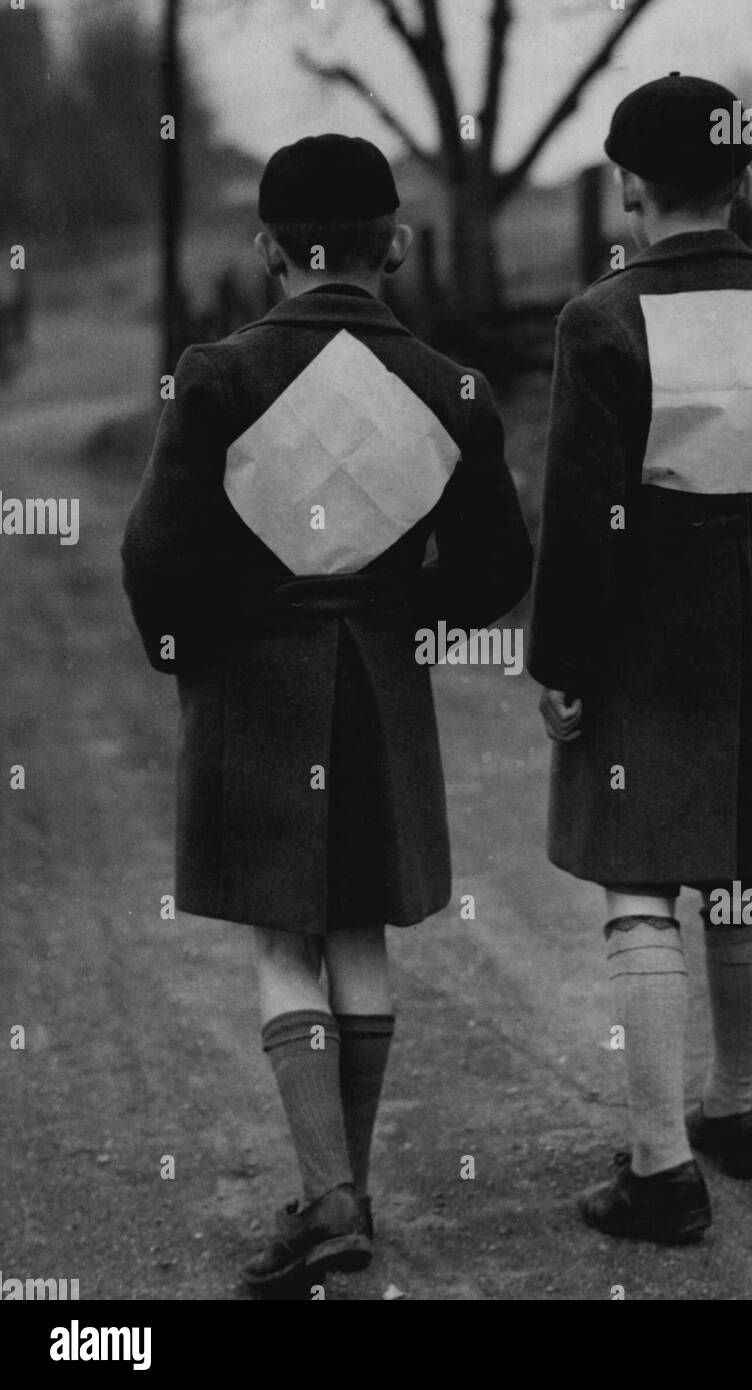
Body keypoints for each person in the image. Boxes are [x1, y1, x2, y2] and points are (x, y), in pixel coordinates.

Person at [122, 134, 532, 1293]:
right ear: (396, 245)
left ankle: (330, 1197)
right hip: (378, 681)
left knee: (281, 938)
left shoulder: (217, 375)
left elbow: (157, 554)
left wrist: (190, 649)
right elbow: (501, 563)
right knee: (356, 929)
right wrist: (408, 616)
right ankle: (337, 1190)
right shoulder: (452, 388)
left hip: (256, 680)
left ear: (265, 251)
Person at [528, 74, 752, 1244]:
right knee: (739, 861)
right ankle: (732, 1106)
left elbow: (581, 513)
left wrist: (562, 658)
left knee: (640, 878)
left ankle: (661, 1166)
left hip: (639, 610)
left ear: (629, 184)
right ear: (745, 179)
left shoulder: (601, 320)